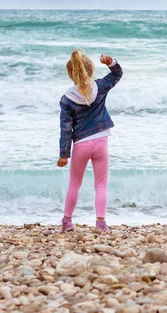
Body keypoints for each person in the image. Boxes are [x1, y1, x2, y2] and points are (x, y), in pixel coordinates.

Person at [57, 49, 123, 233]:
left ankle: (67, 221)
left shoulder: (67, 99)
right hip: (101, 141)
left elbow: (65, 129)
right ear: (91, 70)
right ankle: (101, 223)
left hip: (80, 145)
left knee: (74, 184)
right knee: (101, 184)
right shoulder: (100, 86)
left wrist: (64, 155)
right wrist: (111, 62)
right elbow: (117, 74)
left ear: (72, 74)